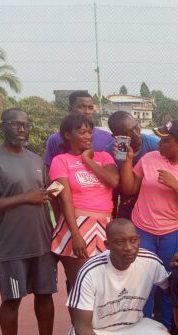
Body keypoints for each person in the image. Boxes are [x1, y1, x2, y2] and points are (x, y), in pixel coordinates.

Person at [0, 108, 66, 335]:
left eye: (25, 125)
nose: (22, 129)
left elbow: (43, 196)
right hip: (11, 246)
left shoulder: (36, 160)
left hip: (41, 241)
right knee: (12, 300)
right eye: (15, 124)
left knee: (45, 295)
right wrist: (25, 198)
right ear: (3, 126)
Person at [120, 119, 178, 326]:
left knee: (173, 281)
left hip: (175, 233)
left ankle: (170, 330)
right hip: (143, 231)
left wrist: (175, 185)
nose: (158, 144)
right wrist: (127, 161)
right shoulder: (149, 159)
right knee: (142, 282)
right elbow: (129, 189)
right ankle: (140, 328)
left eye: (165, 141)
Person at [49, 113, 119, 294]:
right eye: (82, 132)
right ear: (67, 135)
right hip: (77, 225)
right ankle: (78, 324)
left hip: (105, 225)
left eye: (90, 132)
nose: (88, 136)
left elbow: (113, 181)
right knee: (80, 286)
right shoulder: (60, 160)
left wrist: (87, 160)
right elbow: (63, 197)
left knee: (106, 286)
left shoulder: (104, 157)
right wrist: (75, 234)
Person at [106, 110, 160, 219]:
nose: (136, 133)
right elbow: (112, 191)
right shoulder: (109, 153)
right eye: (128, 132)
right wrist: (112, 217)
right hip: (127, 207)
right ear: (116, 136)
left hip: (152, 207)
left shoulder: (156, 146)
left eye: (136, 127)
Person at [44, 90, 113, 173]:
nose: (87, 112)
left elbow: (113, 172)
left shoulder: (108, 138)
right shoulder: (55, 139)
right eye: (81, 107)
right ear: (70, 109)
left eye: (90, 108)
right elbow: (49, 170)